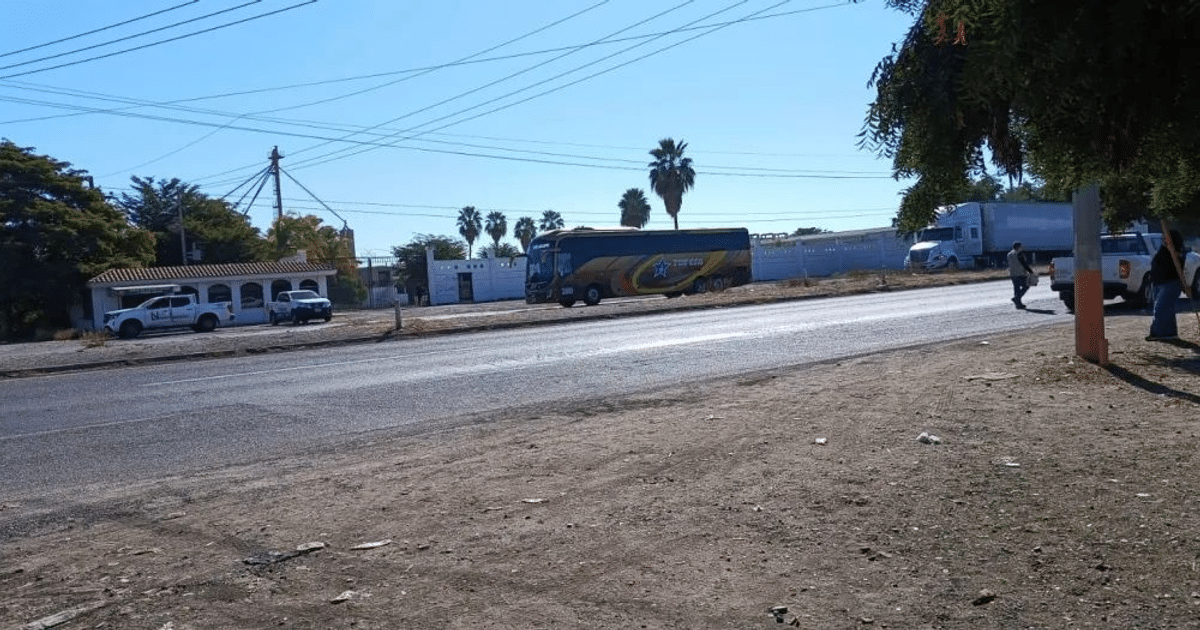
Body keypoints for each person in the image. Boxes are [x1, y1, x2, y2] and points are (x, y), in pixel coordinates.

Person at [1147, 229, 1185, 341]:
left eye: (1166, 238)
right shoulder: (1163, 250)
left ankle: (1159, 333)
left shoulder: (1176, 252)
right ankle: (1169, 333)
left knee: (1161, 309)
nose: (1164, 240)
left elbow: (1178, 266)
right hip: (1158, 283)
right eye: (1163, 238)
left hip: (1170, 283)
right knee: (1166, 309)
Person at [1007, 241, 1035, 309]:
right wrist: (1031, 271)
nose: (1022, 247)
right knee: (1026, 286)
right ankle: (1016, 298)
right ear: (1018, 247)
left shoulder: (1009, 254)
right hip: (1020, 273)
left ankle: (1018, 304)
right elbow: (1023, 264)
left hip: (1012, 273)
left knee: (1016, 288)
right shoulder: (1019, 254)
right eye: (1021, 246)